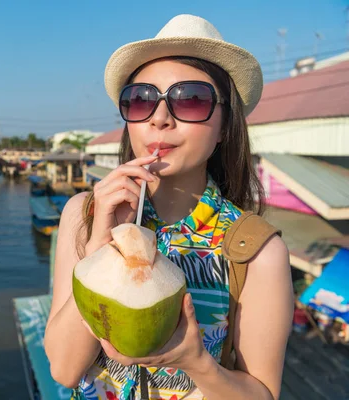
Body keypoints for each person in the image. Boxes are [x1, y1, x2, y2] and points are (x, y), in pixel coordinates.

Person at [44, 14, 294, 400]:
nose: (160, 119)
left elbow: (262, 393)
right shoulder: (85, 214)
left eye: (191, 100)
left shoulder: (256, 250)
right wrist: (97, 248)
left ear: (226, 125)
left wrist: (196, 361)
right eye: (141, 100)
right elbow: (63, 369)